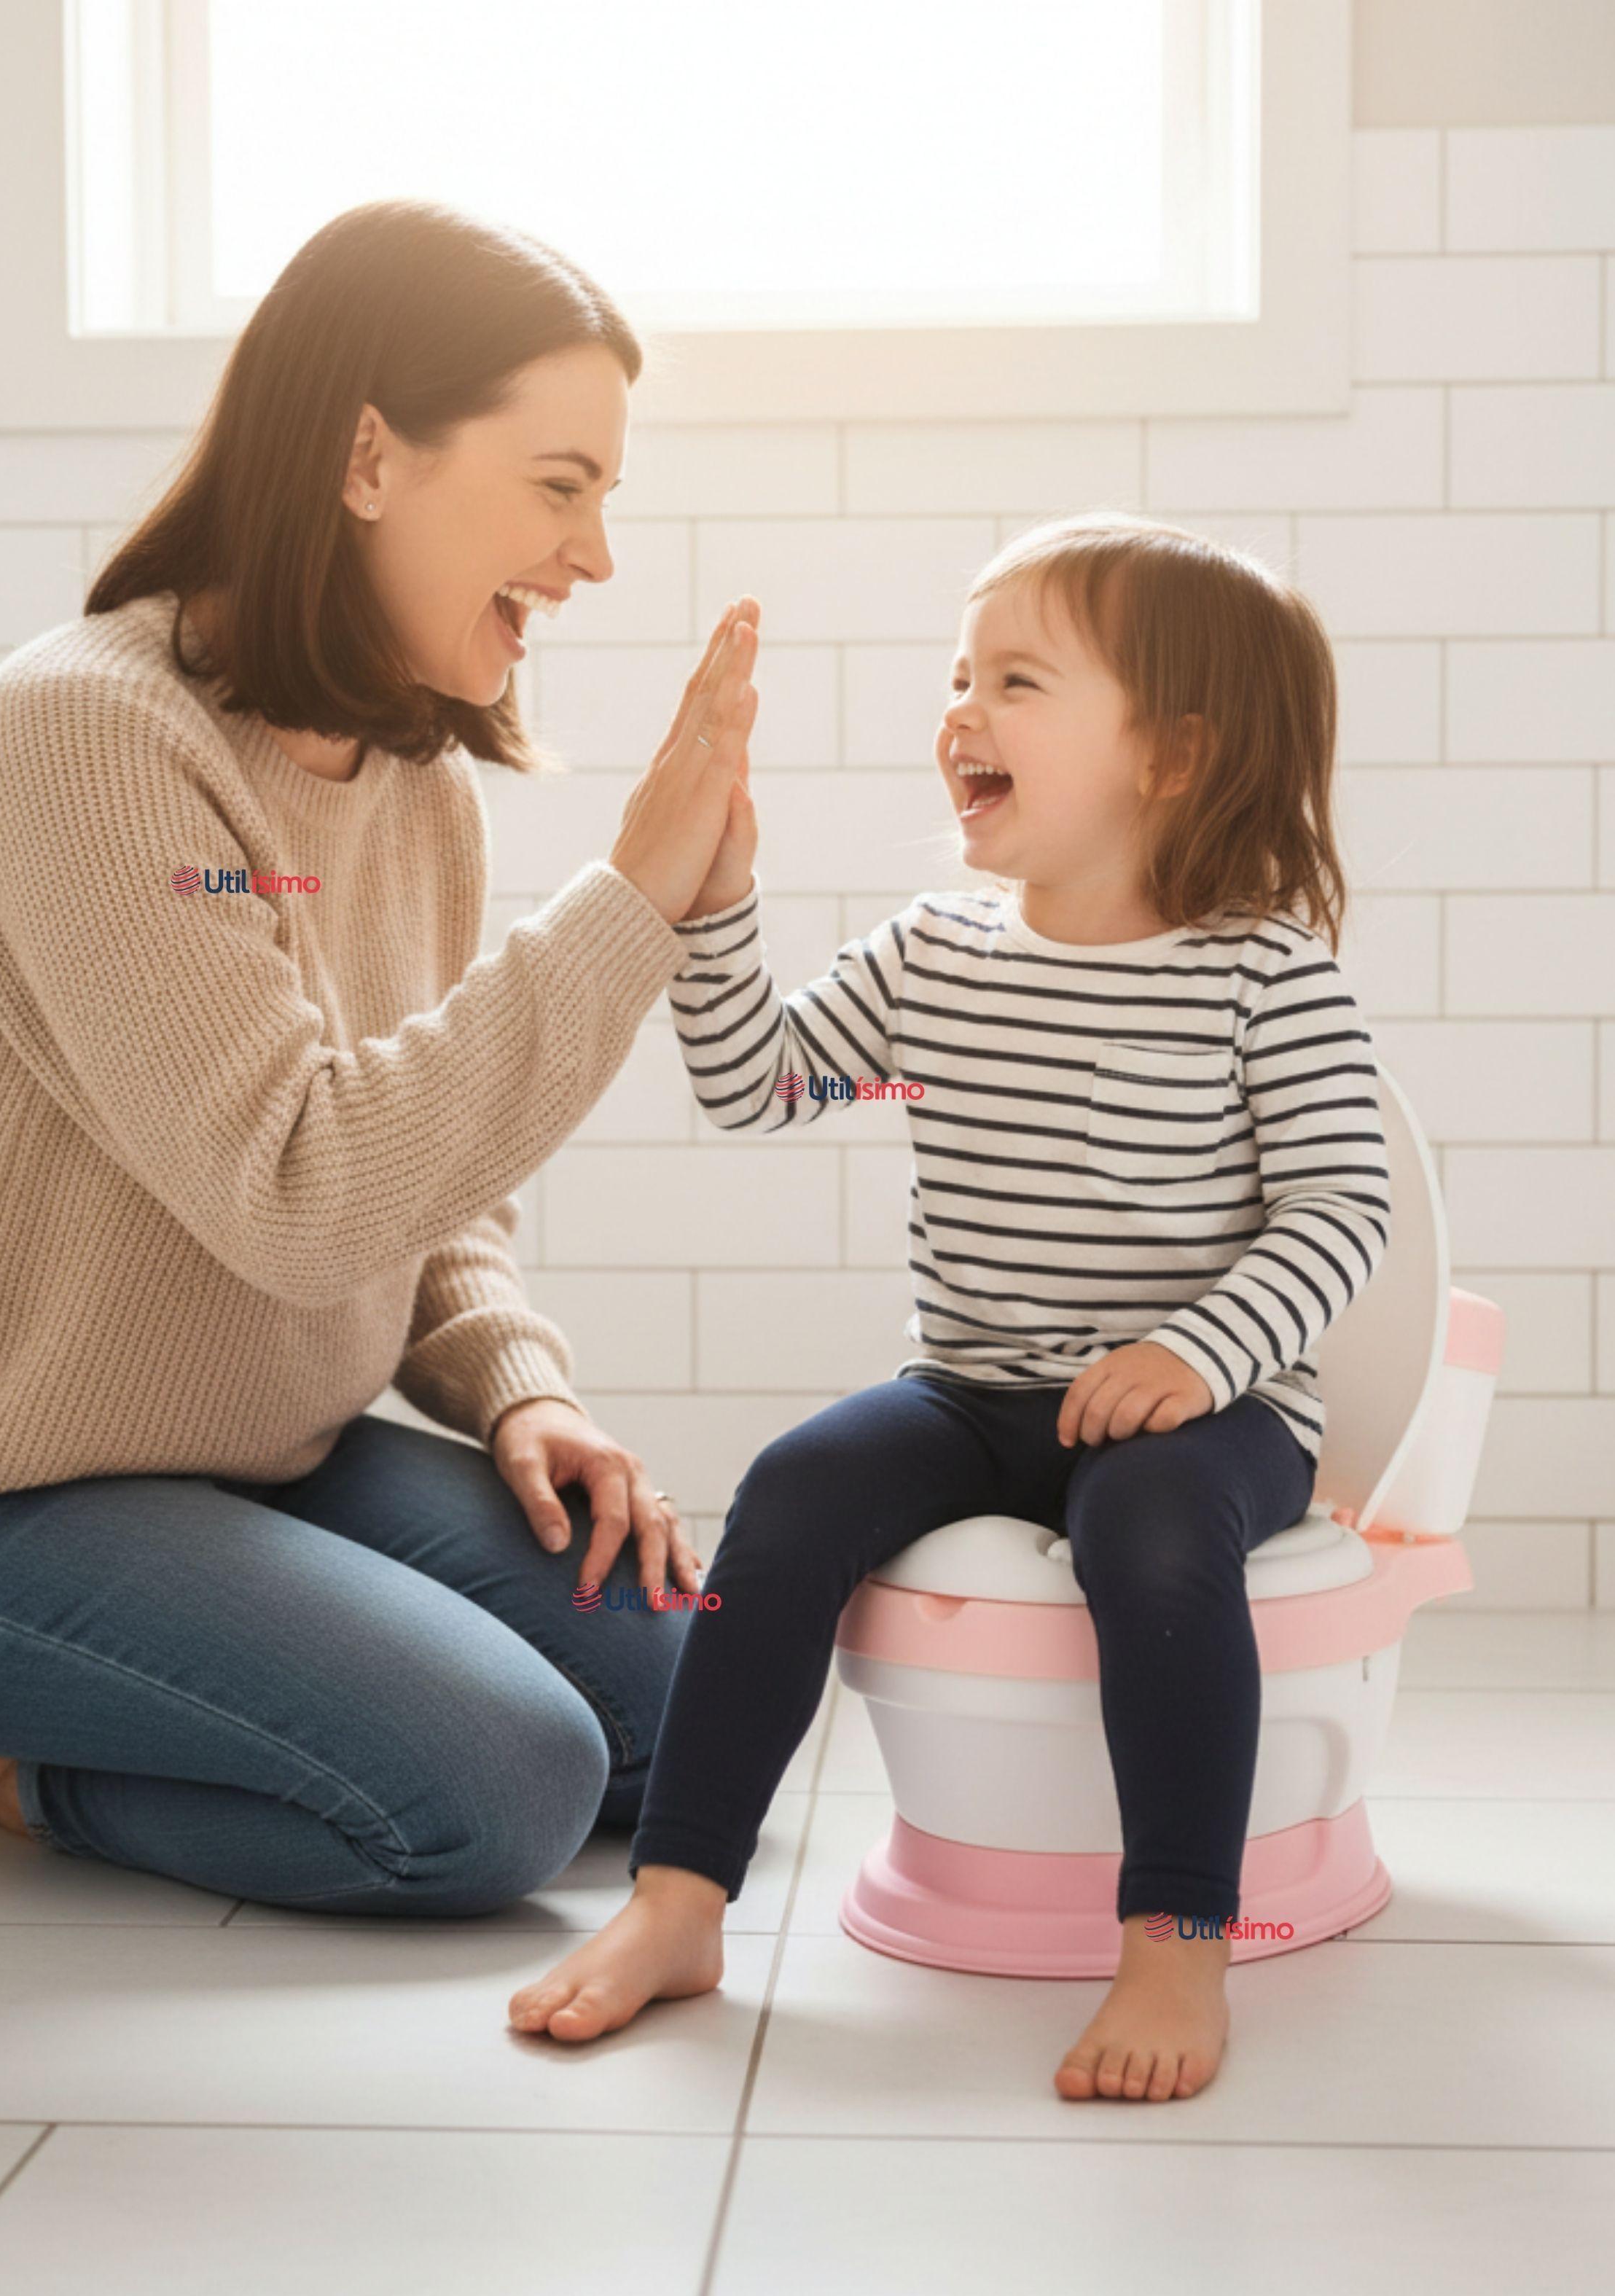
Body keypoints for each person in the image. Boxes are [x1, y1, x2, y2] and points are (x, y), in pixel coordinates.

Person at [0, 198, 763, 1916]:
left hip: (251, 1453)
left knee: (700, 1691)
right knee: (502, 1788)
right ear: (368, 457)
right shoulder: (89, 741)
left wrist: (519, 1386)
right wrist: (629, 907)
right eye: (559, 485)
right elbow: (304, 1189)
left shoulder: (414, 784)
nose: (593, 556)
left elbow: (417, 1173)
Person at [508, 511, 1393, 2105]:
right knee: (792, 1491)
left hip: (1210, 1414)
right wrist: (718, 904)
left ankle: (1178, 1938)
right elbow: (758, 1083)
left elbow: (1344, 1209)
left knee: (1151, 1536)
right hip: (973, 1390)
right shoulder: (936, 952)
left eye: (1016, 682)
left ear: (1172, 754)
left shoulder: (1263, 976)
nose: (961, 712)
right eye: (958, 677)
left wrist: (1193, 1355)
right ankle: (680, 1896)